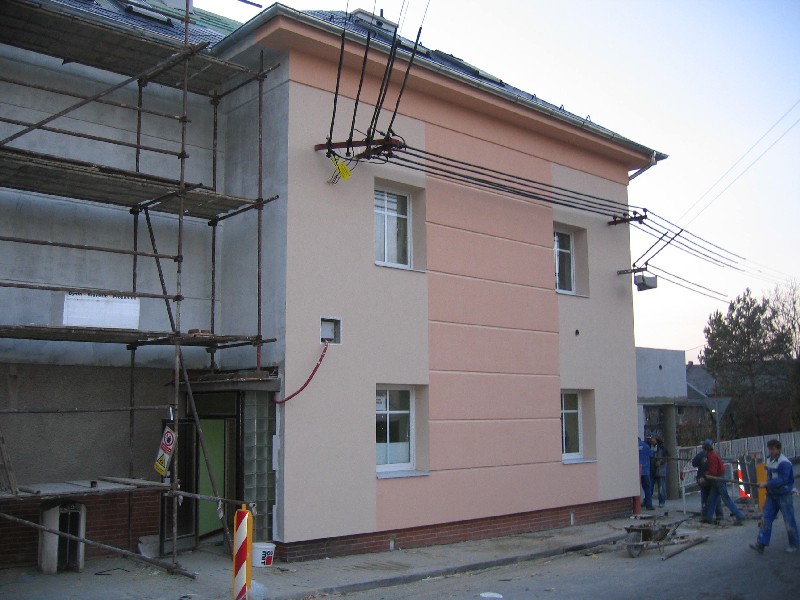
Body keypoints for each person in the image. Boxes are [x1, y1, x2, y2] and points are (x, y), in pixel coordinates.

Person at [750, 439, 800, 554]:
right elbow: (770, 475)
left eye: (773, 449)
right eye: (770, 449)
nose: (771, 451)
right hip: (772, 495)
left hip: (784, 494)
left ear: (778, 449)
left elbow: (783, 479)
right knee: (766, 518)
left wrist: (767, 484)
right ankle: (761, 543)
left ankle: (794, 544)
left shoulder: (784, 463)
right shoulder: (769, 459)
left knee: (788, 519)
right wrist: (767, 484)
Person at [702, 440, 745, 525]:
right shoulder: (713, 455)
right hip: (718, 479)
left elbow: (713, 472)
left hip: (718, 479)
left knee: (726, 499)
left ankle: (739, 515)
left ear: (705, 449)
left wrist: (706, 474)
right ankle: (708, 517)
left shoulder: (712, 457)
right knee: (712, 499)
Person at [692, 439, 723, 521]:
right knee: (716, 497)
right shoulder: (715, 454)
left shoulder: (701, 455)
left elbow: (694, 463)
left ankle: (706, 515)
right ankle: (719, 514)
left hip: (704, 480)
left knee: (705, 498)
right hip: (713, 479)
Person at [651, 437, 669, 508]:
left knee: (661, 486)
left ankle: (662, 501)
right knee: (659, 486)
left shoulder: (661, 449)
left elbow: (667, 457)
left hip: (660, 470)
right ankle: (661, 501)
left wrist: (661, 462)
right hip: (655, 469)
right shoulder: (655, 448)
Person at [638, 436, 655, 510]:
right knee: (647, 488)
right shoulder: (645, 446)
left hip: (636, 471)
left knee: (636, 488)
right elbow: (652, 454)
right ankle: (649, 505)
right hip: (645, 471)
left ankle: (635, 505)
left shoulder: (633, 446)